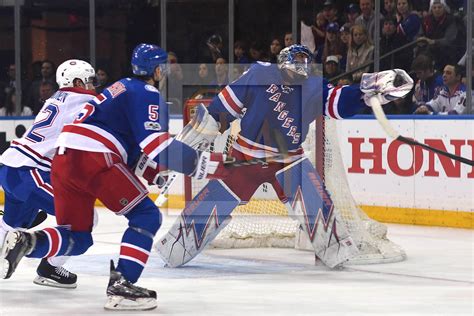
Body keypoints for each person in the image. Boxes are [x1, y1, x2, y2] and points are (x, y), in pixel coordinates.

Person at [1, 43, 229, 311]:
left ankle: (30, 242)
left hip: (62, 161)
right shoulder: (145, 92)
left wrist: (153, 172)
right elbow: (156, 146)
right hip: (92, 158)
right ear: (157, 70)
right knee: (146, 216)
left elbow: (132, 150)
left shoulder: (113, 91)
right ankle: (122, 286)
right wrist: (206, 164)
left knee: (79, 235)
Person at [155, 44, 413, 268]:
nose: (296, 75)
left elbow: (339, 101)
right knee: (206, 209)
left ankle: (336, 252)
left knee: (318, 208)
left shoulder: (314, 86)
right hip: (245, 158)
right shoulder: (258, 74)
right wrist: (184, 152)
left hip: (289, 159)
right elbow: (218, 112)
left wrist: (368, 90)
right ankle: (175, 249)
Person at [0, 59, 97, 288]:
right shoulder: (84, 99)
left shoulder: (56, 98)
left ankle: (43, 261)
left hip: (12, 168)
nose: (95, 87)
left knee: (9, 229)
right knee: (86, 219)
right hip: (30, 173)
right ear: (76, 82)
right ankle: (49, 267)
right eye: (90, 82)